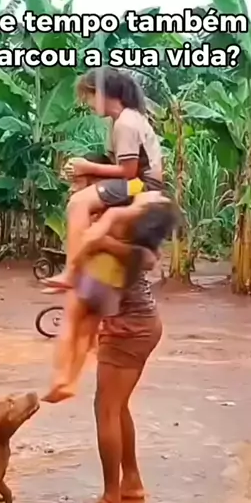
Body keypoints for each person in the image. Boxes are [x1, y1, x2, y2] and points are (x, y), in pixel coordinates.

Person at [42, 160, 170, 404]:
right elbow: (151, 257)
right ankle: (70, 381)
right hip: (114, 290)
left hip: (100, 284)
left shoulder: (107, 214)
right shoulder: (131, 213)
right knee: (86, 334)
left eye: (79, 183)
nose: (75, 190)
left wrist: (72, 270)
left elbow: (92, 242)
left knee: (70, 324)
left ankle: (61, 378)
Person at [44, 66, 166, 292]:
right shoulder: (122, 119)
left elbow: (128, 172)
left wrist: (87, 167)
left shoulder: (126, 123)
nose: (87, 103)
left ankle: (72, 271)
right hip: (139, 182)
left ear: (101, 93)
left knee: (78, 204)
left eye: (88, 96)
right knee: (87, 206)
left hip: (141, 185)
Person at [93, 249, 163, 503]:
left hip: (127, 328)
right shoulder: (125, 232)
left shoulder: (108, 234)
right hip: (139, 320)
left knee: (106, 408)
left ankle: (111, 497)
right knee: (116, 405)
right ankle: (131, 481)